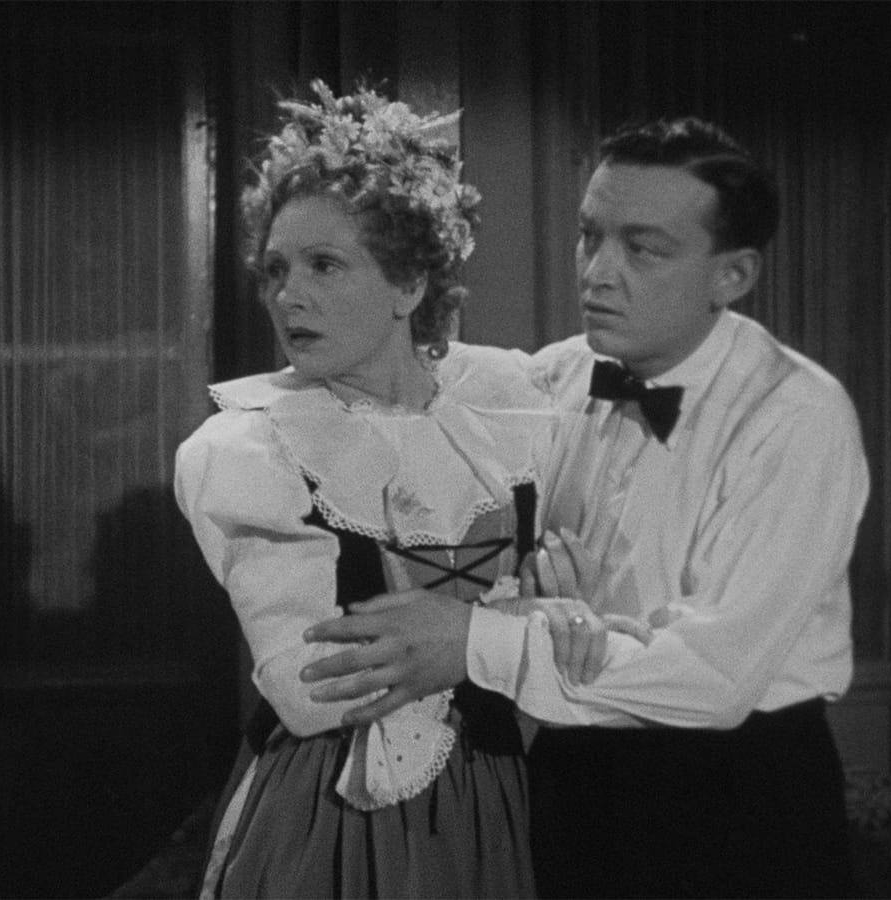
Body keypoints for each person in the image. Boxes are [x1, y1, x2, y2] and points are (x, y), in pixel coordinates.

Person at [300, 116, 870, 898]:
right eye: (589, 236)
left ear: (732, 275)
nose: (598, 273)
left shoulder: (796, 414)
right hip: (575, 771)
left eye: (643, 249)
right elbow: (399, 387)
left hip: (739, 792)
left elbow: (713, 677)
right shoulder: (553, 379)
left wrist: (479, 640)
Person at [173, 80, 606, 899]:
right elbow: (315, 687)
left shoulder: (504, 406)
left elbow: (582, 617)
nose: (288, 296)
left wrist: (524, 633)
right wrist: (521, 633)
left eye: (324, 265)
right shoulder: (253, 449)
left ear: (409, 285)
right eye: (275, 270)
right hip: (338, 808)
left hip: (497, 794)